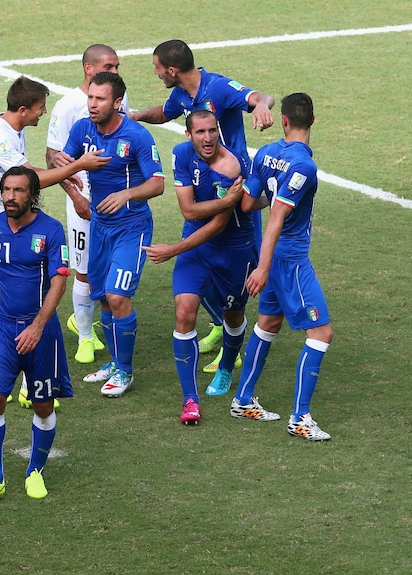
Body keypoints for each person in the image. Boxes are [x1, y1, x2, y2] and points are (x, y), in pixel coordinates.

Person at [0, 76, 109, 403]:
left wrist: (65, 169)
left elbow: (28, 171)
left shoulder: (12, 130)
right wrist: (77, 165)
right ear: (23, 109)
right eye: (39, 109)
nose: (42, 114)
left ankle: (24, 384)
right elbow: (27, 180)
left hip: (14, 228)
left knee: (20, 302)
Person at [129, 39, 275, 373]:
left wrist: (264, 106)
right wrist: (137, 115)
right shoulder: (181, 94)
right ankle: (222, 326)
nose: (155, 73)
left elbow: (258, 98)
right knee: (199, 266)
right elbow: (165, 113)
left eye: (155, 68)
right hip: (204, 186)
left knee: (234, 265)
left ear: (171, 69)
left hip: (236, 192)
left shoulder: (219, 87)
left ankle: (233, 345)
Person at [142, 110, 257, 425]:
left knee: (233, 316)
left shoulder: (230, 165)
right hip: (196, 245)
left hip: (234, 251)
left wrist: (172, 251)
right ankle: (190, 400)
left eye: (212, 131)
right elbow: (189, 211)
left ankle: (226, 366)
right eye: (200, 132)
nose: (207, 138)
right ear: (188, 135)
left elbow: (219, 224)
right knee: (184, 312)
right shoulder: (181, 154)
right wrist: (225, 201)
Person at [229, 93, 333, 441]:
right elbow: (276, 213)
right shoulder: (304, 166)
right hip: (288, 259)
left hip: (272, 255)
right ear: (313, 121)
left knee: (268, 323)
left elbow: (247, 203)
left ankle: (243, 399)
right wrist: (263, 266)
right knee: (321, 334)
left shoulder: (267, 153)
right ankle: (301, 418)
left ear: (284, 120)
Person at [54, 72, 164, 397]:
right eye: (90, 97)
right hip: (99, 226)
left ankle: (125, 372)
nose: (92, 104)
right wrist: (67, 172)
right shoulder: (81, 129)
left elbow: (157, 183)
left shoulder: (137, 136)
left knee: (117, 296)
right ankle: (114, 363)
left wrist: (126, 195)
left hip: (132, 227)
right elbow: (64, 163)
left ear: (117, 103)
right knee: (101, 296)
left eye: (100, 99)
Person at [0, 166, 70, 504]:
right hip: (1, 326)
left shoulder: (52, 230)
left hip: (40, 331)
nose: (10, 197)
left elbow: (59, 280)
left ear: (34, 195)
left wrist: (38, 325)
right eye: (6, 190)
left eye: (19, 191)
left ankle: (35, 470)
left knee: (42, 405)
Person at [45, 43, 125, 364]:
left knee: (107, 269)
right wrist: (76, 196)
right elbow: (52, 158)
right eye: (110, 65)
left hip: (116, 200)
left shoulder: (119, 98)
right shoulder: (67, 107)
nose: (116, 71)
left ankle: (96, 325)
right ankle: (86, 336)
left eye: (118, 66)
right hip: (83, 199)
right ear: (88, 69)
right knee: (85, 271)